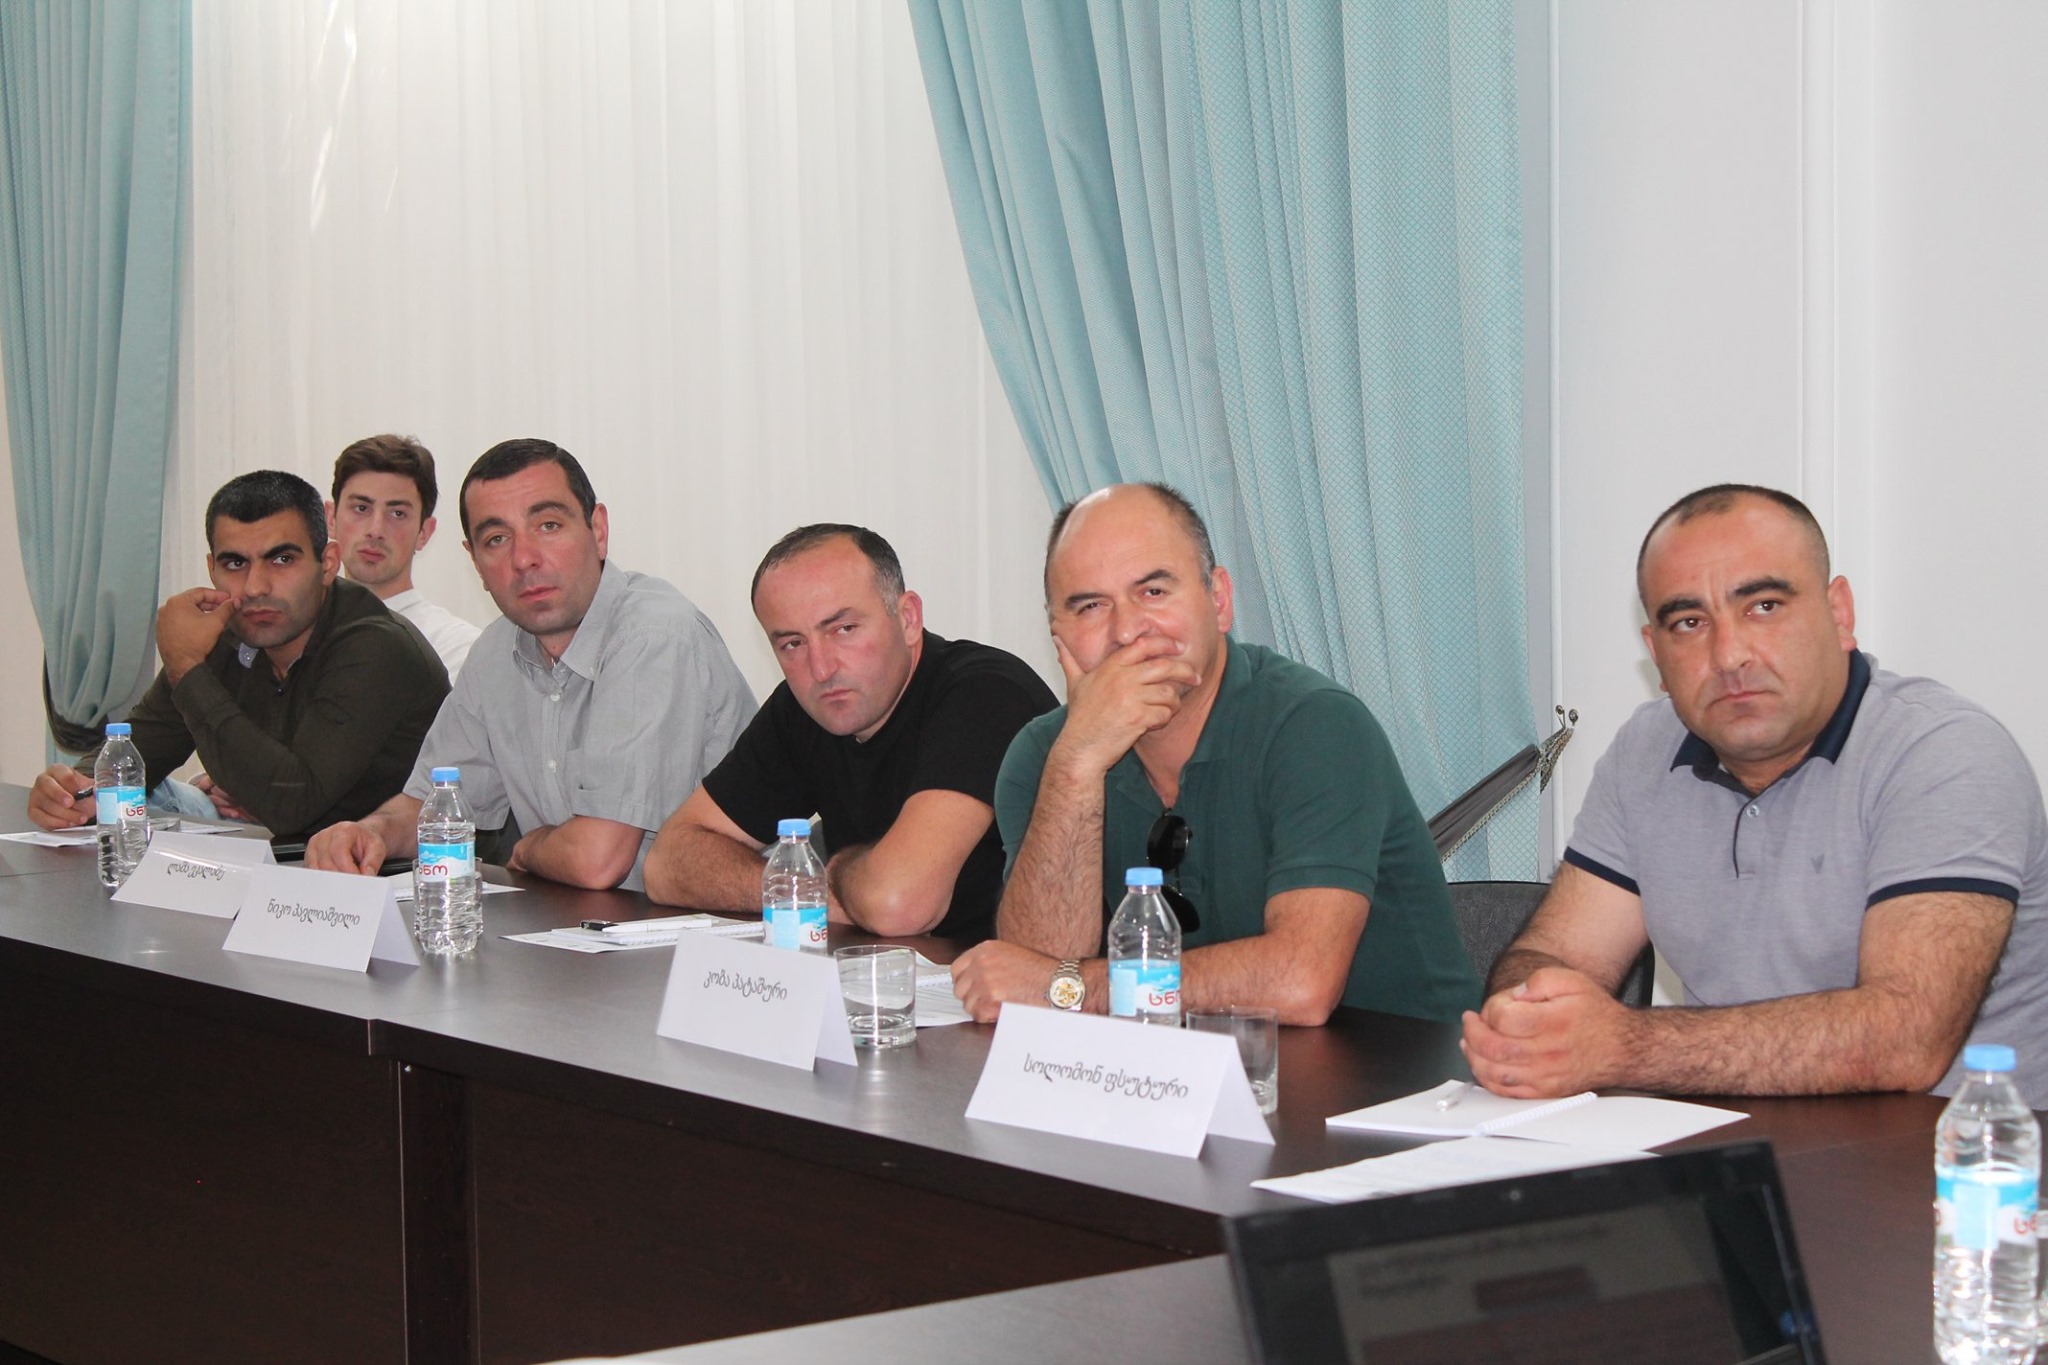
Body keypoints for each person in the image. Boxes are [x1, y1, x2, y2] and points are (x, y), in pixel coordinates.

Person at [1461, 484, 2048, 1105]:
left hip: (1954, 1152)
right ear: (1656, 654)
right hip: (1722, 1137)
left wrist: (1620, 1045)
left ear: (1840, 614)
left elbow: (1905, 1040)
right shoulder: (1646, 750)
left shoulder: (1943, 752)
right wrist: (1529, 1018)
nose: (1729, 655)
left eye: (1764, 606)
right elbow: (1556, 953)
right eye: (1689, 623)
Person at [949, 483, 1478, 1025]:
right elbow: (1033, 976)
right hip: (1187, 1065)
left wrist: (1078, 987)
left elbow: (1301, 982)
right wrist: (1077, 765)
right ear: (1057, 633)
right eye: (1090, 606)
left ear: (1219, 601)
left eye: (1154, 591)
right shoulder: (1047, 755)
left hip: (1397, 1067)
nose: (1127, 631)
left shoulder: (1316, 724)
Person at [304, 439, 753, 891]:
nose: (523, 559)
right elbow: (434, 803)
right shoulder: (495, 651)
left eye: (548, 525)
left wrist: (531, 848)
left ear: (598, 530)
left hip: (726, 922)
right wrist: (370, 833)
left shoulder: (653, 634)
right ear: (475, 562)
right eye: (497, 539)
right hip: (584, 922)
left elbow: (598, 860)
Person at [644, 524, 1056, 939]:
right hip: (897, 967)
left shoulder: (986, 694)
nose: (821, 668)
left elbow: (898, 904)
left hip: (1026, 973)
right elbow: (667, 864)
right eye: (792, 644)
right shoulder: (804, 708)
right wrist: (814, 891)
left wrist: (836, 868)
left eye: (844, 629)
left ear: (908, 618)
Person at [27, 470, 449, 840]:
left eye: (281, 559)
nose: (254, 587)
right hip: (284, 871)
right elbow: (141, 749)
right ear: (212, 568)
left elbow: (291, 804)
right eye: (235, 564)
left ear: (327, 563)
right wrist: (71, 791)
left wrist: (187, 668)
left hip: (398, 883)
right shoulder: (223, 636)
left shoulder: (376, 647)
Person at [327, 433, 482, 678]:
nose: (375, 530)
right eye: (361, 508)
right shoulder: (291, 634)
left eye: (397, 513)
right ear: (331, 518)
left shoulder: (456, 647)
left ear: (424, 532)